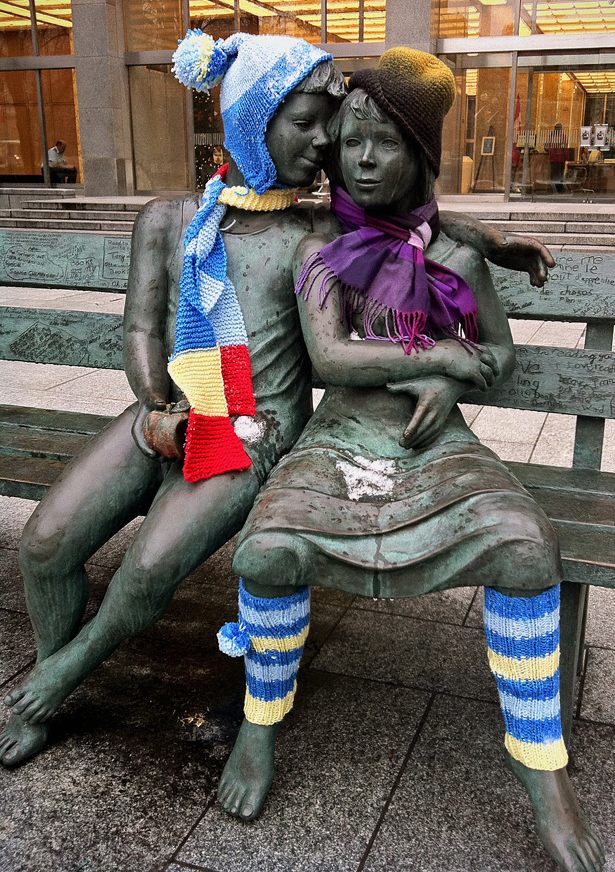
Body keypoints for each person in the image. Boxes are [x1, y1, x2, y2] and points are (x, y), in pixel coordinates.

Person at [1, 31, 554, 771]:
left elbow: (407, 218)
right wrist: (154, 406)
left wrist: (480, 237)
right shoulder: (169, 221)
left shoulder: (318, 228)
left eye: (329, 125)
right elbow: (138, 325)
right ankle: (53, 657)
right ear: (250, 119)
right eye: (305, 121)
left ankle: (57, 680)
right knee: (44, 545)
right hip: (167, 415)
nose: (324, 141)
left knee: (148, 567)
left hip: (251, 433)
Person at [218, 49, 605, 872]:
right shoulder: (320, 252)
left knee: (526, 544)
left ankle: (544, 773)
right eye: (350, 141)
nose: (359, 159)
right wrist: (434, 362)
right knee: (269, 545)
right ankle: (258, 723)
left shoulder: (451, 256)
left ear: (419, 157)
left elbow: (494, 354)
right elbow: (326, 360)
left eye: (384, 145)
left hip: (440, 448)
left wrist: (461, 364)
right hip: (338, 439)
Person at [546, 123, 568, 194]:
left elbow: (545, 147)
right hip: (561, 159)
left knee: (553, 175)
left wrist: (551, 152)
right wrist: (566, 158)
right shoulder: (563, 137)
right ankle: (560, 189)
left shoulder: (550, 137)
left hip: (552, 159)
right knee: (560, 174)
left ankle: (554, 189)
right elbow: (565, 149)